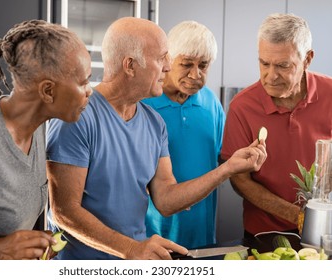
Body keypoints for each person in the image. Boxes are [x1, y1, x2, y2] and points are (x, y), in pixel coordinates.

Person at [46, 17, 267, 260]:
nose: (168, 67)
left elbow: (166, 199)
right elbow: (64, 211)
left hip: (139, 261)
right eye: (161, 58)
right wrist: (131, 249)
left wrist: (228, 168)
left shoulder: (153, 123)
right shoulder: (77, 116)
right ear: (130, 65)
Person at [0, 19, 92, 259]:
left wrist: (28, 245)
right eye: (83, 82)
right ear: (48, 91)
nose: (89, 90)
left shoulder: (40, 125)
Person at [220, 13, 332, 238]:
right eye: (264, 63)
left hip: (325, 229)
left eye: (282, 65)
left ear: (307, 59)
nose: (271, 76)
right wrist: (298, 216)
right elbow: (239, 179)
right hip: (264, 233)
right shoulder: (242, 106)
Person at [142, 21, 225, 249]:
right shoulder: (143, 104)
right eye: (187, 64)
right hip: (152, 238)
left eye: (204, 66)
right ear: (168, 59)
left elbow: (221, 156)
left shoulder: (211, 103)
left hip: (203, 236)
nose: (195, 74)